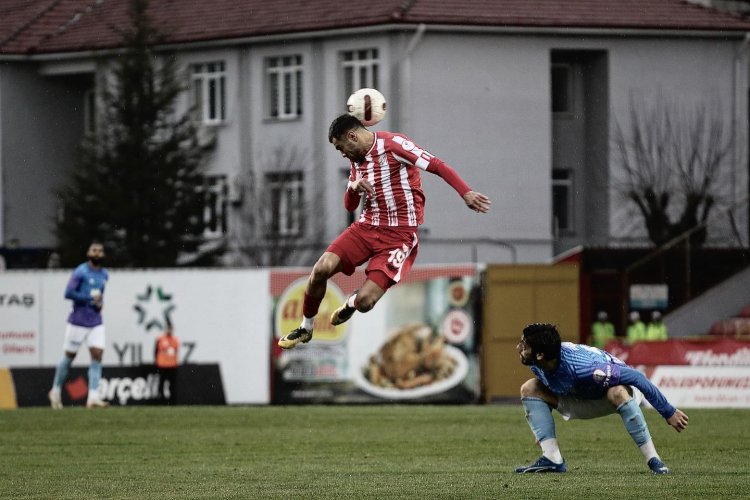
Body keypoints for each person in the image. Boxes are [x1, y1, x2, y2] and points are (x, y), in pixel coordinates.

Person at [278, 114, 492, 349]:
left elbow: (437, 165)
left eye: (341, 147)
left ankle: (350, 304)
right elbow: (349, 206)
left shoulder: (395, 145)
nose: (342, 153)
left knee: (366, 301)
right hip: (366, 227)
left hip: (399, 237)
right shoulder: (356, 159)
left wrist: (466, 192)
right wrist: (354, 189)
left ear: (352, 136)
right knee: (321, 269)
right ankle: (306, 327)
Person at [514, 323, 688, 474]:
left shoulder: (586, 369)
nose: (519, 348)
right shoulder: (540, 360)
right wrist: (542, 428)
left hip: (612, 393)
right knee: (530, 388)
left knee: (617, 391)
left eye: (524, 345)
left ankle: (654, 460)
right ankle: (552, 458)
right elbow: (552, 381)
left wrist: (668, 412)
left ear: (540, 355)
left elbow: (637, 377)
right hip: (578, 396)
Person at [48, 241, 110, 409]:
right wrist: (88, 298)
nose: (97, 253)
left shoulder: (105, 274)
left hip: (96, 321)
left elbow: (100, 295)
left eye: (99, 251)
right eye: (94, 250)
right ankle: (55, 389)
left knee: (97, 355)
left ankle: (93, 397)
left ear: (103, 254)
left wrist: (99, 303)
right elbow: (68, 293)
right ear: (88, 253)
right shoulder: (81, 271)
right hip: (78, 321)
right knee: (69, 357)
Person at [154, 323, 180, 404]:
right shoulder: (160, 339)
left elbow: (175, 351)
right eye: (168, 328)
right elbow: (156, 351)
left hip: (172, 366)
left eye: (171, 329)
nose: (169, 330)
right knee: (161, 384)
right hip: (162, 365)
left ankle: (173, 402)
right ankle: (161, 401)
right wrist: (156, 362)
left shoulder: (175, 340)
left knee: (172, 385)